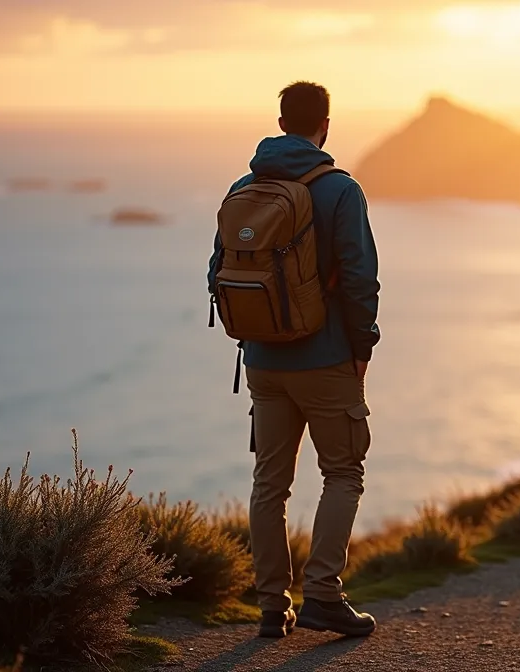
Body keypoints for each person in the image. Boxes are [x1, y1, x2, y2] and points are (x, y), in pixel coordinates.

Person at [207, 81, 381, 639]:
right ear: (325, 124)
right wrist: (362, 348)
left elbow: (218, 273)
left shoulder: (243, 186)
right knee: (344, 473)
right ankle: (324, 596)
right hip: (326, 358)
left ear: (281, 121)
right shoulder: (339, 190)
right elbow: (359, 280)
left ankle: (269, 605)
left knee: (269, 484)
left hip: (260, 361)